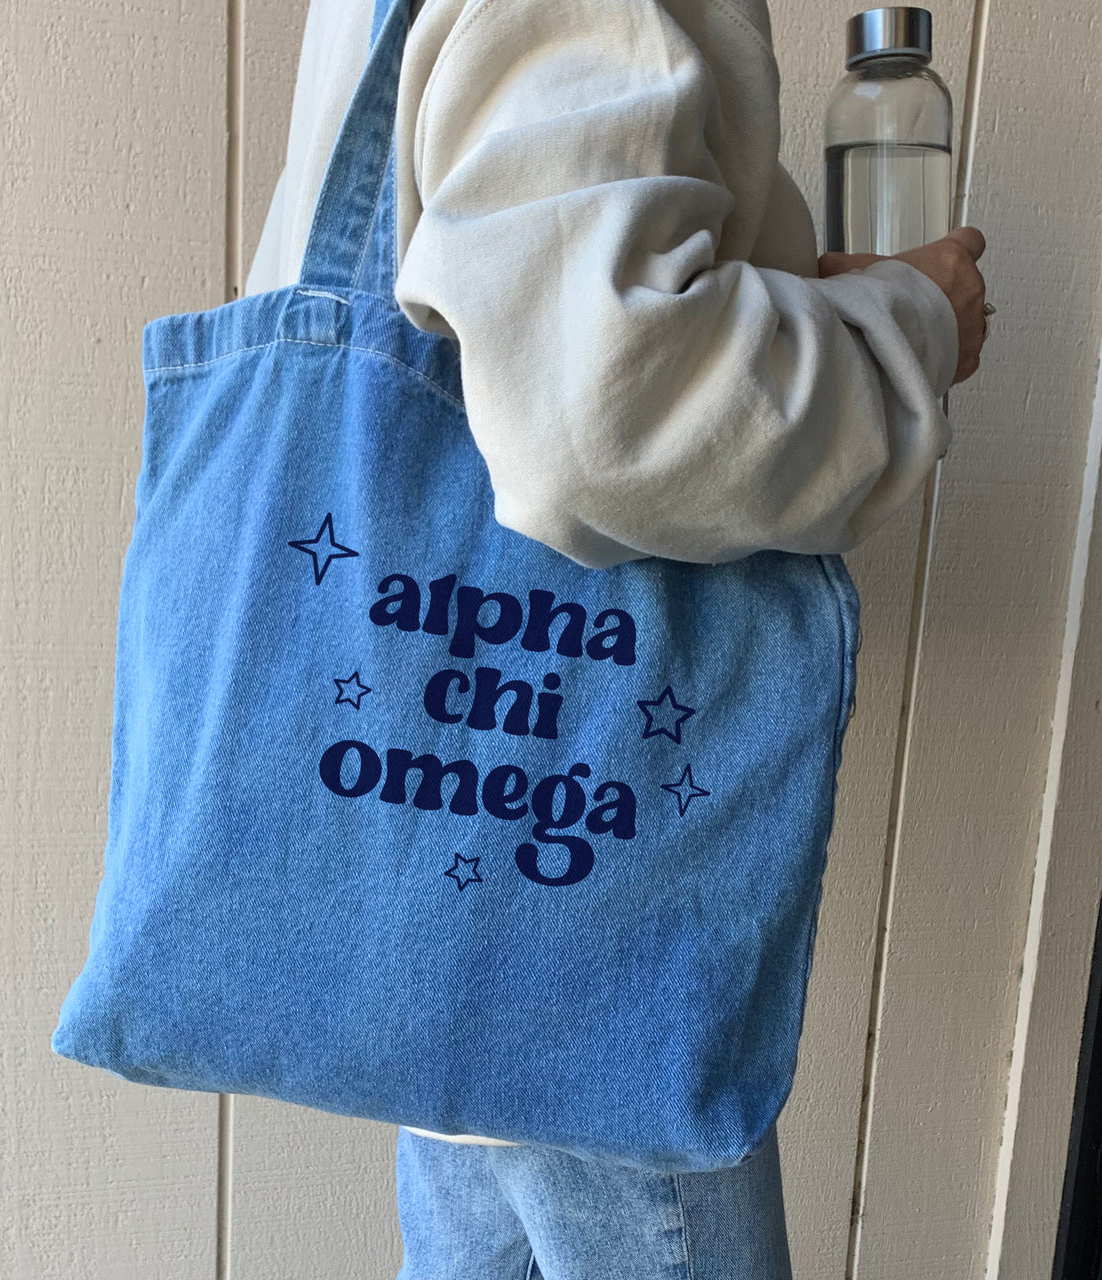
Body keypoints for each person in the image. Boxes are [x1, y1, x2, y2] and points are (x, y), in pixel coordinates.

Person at [245, 0, 989, 1275]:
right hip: (577, 924)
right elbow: (602, 418)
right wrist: (901, 327)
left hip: (443, 892)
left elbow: (514, 309)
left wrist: (754, 294)